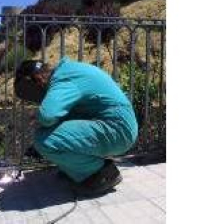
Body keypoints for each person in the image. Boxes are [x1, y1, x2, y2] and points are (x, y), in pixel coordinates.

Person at [14, 57, 138, 195]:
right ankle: (79, 169)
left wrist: (36, 116)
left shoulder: (63, 79)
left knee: (44, 140)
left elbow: (47, 116)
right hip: (118, 126)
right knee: (56, 127)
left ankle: (102, 174)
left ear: (38, 79)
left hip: (118, 130)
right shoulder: (68, 71)